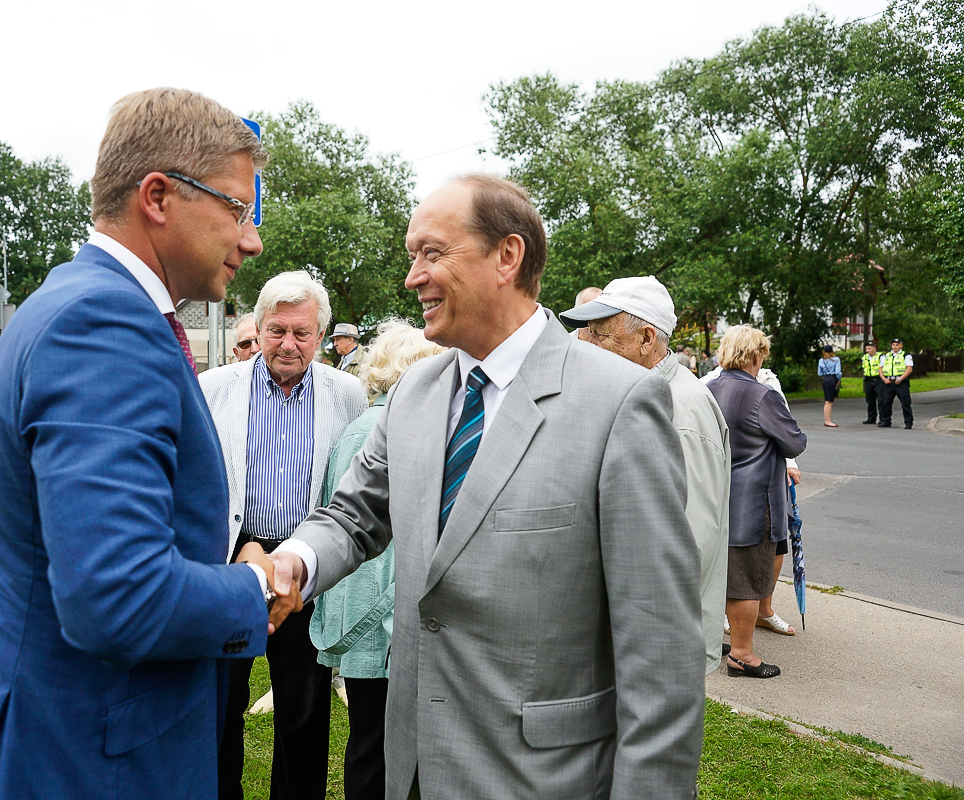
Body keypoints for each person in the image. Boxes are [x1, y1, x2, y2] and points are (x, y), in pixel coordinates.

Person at [269, 175, 704, 798]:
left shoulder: (622, 404)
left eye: (432, 253)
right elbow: (353, 516)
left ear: (508, 256)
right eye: (411, 255)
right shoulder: (413, 395)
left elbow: (660, 653)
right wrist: (291, 564)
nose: (413, 277)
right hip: (411, 768)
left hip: (540, 779)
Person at [0, 87, 292, 800]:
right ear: (159, 195)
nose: (252, 240)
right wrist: (253, 585)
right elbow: (118, 597)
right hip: (76, 751)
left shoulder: (74, 301)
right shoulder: (102, 325)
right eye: (238, 210)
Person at [200, 270, 367, 800]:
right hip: (236, 558)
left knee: (305, 706)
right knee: (221, 702)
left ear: (321, 335)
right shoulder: (214, 389)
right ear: (258, 328)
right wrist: (232, 554)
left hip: (311, 558)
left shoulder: (347, 392)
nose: (287, 344)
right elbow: (200, 481)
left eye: (301, 332)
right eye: (276, 331)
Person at [560, 276, 731, 676]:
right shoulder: (639, 395)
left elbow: (691, 546)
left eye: (601, 335)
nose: (589, 345)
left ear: (646, 339)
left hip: (657, 645)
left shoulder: (681, 413)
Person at [309, 320, 443, 800]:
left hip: (351, 612)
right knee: (401, 750)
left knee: (366, 742)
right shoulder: (409, 429)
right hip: (389, 620)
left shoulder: (356, 427)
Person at [707, 326, 807, 679]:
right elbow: (794, 442)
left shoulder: (709, 388)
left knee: (720, 576)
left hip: (716, 498)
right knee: (748, 581)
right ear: (754, 356)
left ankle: (712, 642)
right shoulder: (763, 396)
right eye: (762, 354)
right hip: (755, 505)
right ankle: (742, 655)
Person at [878, 337, 914, 429]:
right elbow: (880, 369)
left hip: (901, 382)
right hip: (888, 382)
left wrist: (900, 379)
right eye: (893, 345)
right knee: (886, 402)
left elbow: (909, 369)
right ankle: (885, 421)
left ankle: (908, 422)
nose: (894, 347)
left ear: (901, 346)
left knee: (905, 403)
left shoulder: (906, 355)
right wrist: (884, 379)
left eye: (897, 345)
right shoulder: (885, 356)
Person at [818, 344, 842, 427]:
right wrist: (838, 380)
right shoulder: (836, 360)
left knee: (828, 399)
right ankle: (827, 420)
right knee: (829, 401)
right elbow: (838, 372)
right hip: (832, 378)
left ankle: (827, 419)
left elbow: (819, 373)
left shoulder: (821, 360)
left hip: (826, 379)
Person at [861, 341, 881, 424]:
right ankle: (871, 418)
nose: (867, 350)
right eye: (866, 348)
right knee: (870, 401)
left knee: (881, 401)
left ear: (874, 348)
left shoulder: (880, 356)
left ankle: (883, 419)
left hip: (878, 380)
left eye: (869, 348)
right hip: (869, 380)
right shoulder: (864, 357)